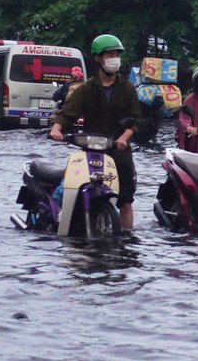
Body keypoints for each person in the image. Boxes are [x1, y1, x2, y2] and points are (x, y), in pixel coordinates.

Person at [49, 34, 142, 231]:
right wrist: (56, 130)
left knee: (126, 201)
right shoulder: (86, 89)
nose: (114, 59)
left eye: (116, 54)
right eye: (109, 55)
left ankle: (127, 239)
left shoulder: (128, 88)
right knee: (73, 187)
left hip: (119, 151)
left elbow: (137, 119)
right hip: (91, 149)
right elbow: (67, 113)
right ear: (98, 58)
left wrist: (124, 137)